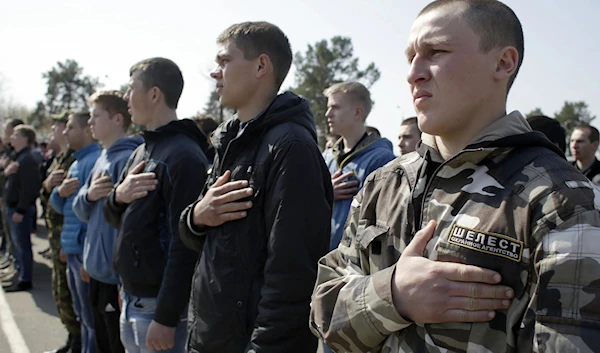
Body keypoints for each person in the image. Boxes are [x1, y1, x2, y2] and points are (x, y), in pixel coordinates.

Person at [310, 1, 600, 352]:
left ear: (503, 62)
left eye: (436, 51)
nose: (413, 73)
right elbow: (323, 315)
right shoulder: (384, 183)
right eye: (410, 57)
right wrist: (393, 294)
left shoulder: (559, 201)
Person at [179, 21, 333, 353]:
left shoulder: (292, 149)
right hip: (209, 339)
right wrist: (197, 217)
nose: (214, 72)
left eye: (224, 61)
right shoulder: (231, 142)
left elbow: (292, 278)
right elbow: (200, 241)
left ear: (261, 65)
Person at [103, 57, 208, 353]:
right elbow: (115, 218)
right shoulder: (140, 151)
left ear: (154, 94)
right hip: (133, 298)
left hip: (158, 308)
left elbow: (185, 243)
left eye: (130, 88)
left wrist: (166, 315)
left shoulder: (184, 156)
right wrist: (117, 196)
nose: (125, 97)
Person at [73, 91, 141, 353]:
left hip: (115, 278)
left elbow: (129, 225)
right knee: (102, 339)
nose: (90, 122)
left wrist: (123, 279)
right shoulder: (102, 157)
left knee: (115, 344)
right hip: (98, 271)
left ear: (117, 119)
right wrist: (89, 195)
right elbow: (83, 212)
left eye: (96, 116)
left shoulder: (125, 159)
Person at [322, 82, 395, 251]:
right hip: (321, 258)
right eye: (328, 107)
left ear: (358, 112)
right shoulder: (326, 157)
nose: (328, 114)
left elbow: (379, 219)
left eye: (335, 107)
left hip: (354, 261)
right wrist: (325, 193)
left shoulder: (382, 159)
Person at [50, 111, 101, 353]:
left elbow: (93, 216)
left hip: (83, 254)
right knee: (82, 317)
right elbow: (60, 207)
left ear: (85, 131)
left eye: (70, 128)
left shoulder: (94, 161)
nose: (65, 133)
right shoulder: (77, 162)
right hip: (73, 250)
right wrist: (59, 192)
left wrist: (84, 255)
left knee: (91, 321)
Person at [41, 112, 81, 353]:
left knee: (71, 295)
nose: (59, 132)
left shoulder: (77, 159)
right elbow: (46, 196)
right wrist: (47, 187)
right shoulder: (62, 158)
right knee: (61, 290)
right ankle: (72, 337)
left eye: (62, 127)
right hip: (58, 235)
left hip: (67, 236)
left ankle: (76, 340)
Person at [2, 125, 42, 292]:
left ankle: (25, 279)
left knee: (22, 245)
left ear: (25, 138)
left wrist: (21, 210)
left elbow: (29, 188)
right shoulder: (17, 157)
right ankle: (18, 273)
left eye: (17, 134)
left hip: (18, 210)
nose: (12, 136)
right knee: (17, 245)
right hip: (11, 206)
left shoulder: (27, 159)